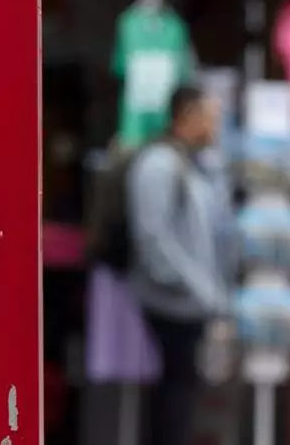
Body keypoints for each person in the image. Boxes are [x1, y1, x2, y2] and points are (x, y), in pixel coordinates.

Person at [126, 84, 236, 445]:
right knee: (173, 398)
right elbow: (153, 240)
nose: (216, 125)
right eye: (210, 117)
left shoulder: (194, 164)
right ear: (187, 116)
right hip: (171, 303)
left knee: (180, 394)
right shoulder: (158, 165)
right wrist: (200, 289)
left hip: (191, 304)